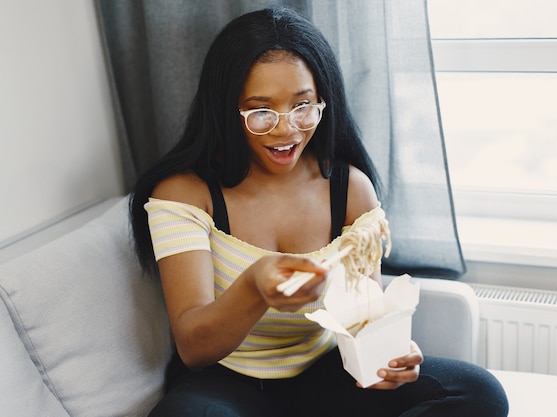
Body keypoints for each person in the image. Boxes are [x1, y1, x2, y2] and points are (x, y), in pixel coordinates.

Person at [129, 6, 508, 417]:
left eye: (302, 106)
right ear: (226, 109)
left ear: (322, 102)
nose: (286, 129)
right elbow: (194, 347)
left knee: (478, 392)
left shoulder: (350, 189)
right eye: (261, 111)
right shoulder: (186, 193)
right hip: (225, 382)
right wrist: (256, 285)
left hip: (326, 375)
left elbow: (364, 316)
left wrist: (386, 354)